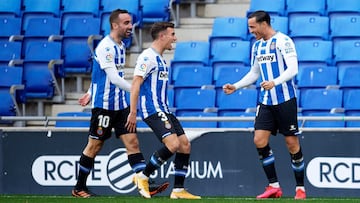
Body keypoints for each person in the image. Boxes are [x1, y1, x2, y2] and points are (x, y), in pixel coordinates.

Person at [72, 9, 169, 198]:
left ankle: (145, 184)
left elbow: (99, 73)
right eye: (126, 23)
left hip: (121, 106)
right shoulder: (105, 47)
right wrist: (137, 91)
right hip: (104, 107)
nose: (130, 27)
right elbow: (114, 79)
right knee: (94, 146)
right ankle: (79, 187)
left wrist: (90, 91)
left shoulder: (121, 45)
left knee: (132, 143)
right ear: (115, 25)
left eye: (130, 23)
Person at [222, 10, 306, 200]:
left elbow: (293, 69)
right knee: (259, 140)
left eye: (253, 27)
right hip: (266, 101)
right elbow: (254, 73)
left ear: (264, 24)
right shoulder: (257, 46)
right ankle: (274, 186)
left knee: (291, 144)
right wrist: (235, 86)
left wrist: (275, 82)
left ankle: (300, 188)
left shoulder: (283, 41)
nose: (251, 31)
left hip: (285, 99)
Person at [126, 22, 201, 199]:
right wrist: (133, 111)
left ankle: (178, 190)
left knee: (184, 145)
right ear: (162, 36)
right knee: (173, 145)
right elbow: (136, 83)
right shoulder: (147, 57)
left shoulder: (160, 59)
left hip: (164, 109)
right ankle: (142, 176)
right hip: (152, 109)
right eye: (172, 34)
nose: (175, 38)